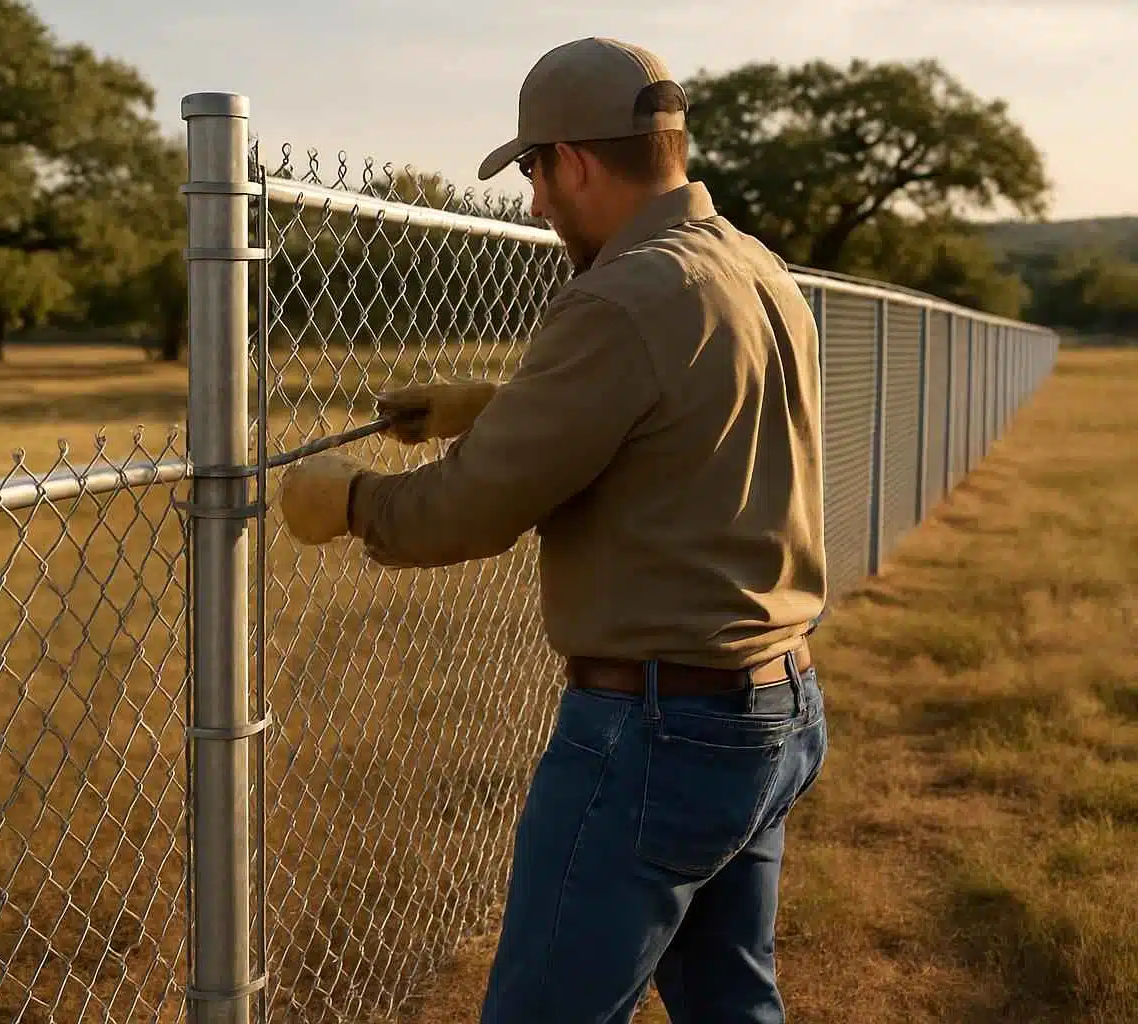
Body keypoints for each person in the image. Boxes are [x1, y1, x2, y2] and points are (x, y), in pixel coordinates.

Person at [277, 36, 829, 1024]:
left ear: (571, 160)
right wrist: (495, 406)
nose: (535, 204)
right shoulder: (754, 268)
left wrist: (351, 500)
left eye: (533, 173)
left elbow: (467, 509)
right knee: (732, 1004)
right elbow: (679, 427)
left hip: (658, 734)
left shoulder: (622, 295)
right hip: (772, 705)